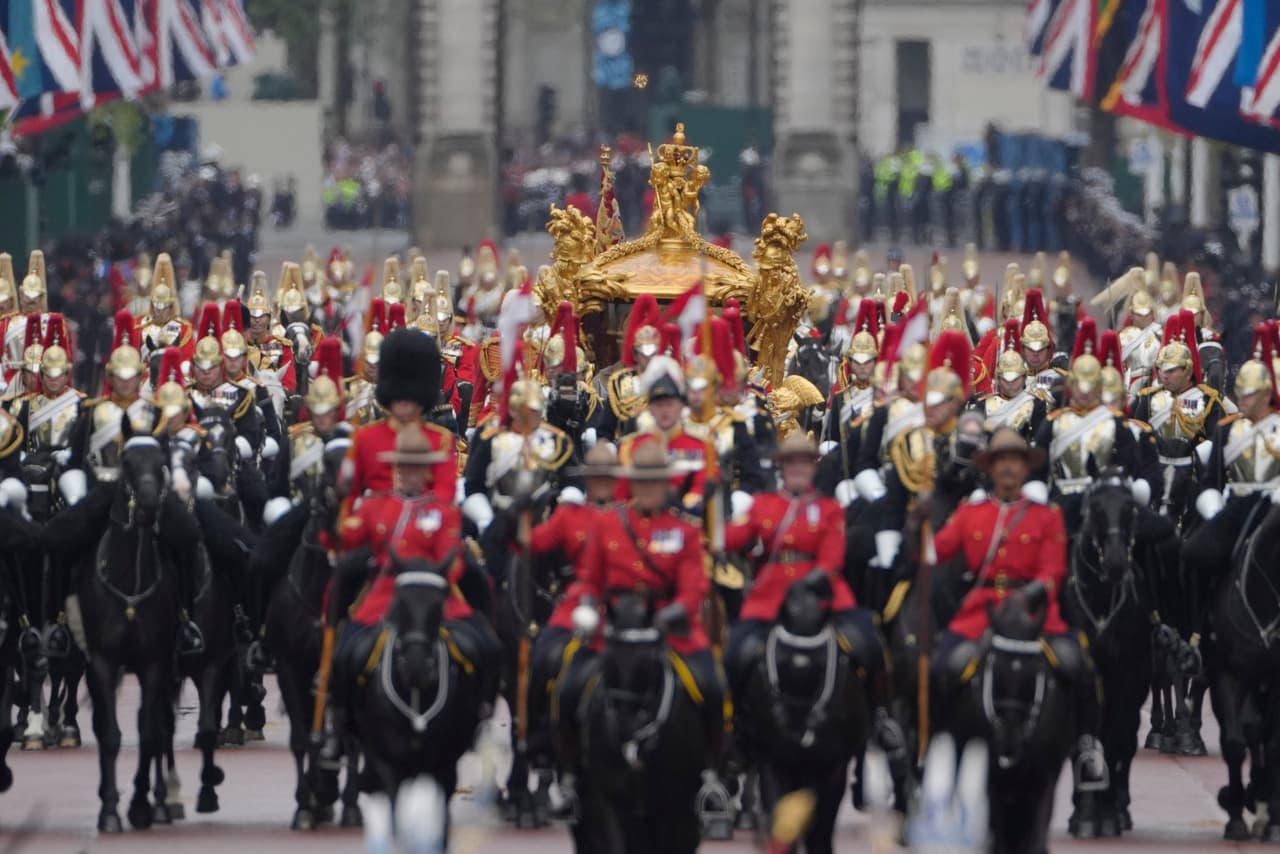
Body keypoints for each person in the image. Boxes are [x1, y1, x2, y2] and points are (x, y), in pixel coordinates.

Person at [928, 427, 1108, 790]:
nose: (1008, 469)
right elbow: (937, 550)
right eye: (1001, 462)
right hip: (982, 611)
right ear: (991, 469)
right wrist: (920, 524)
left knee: (1078, 664)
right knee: (941, 666)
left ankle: (1087, 748)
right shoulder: (970, 513)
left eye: (1015, 461)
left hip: (1033, 611)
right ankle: (937, 747)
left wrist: (1033, 594)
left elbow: (1053, 569)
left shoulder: (1046, 516)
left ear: (1025, 469)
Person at [549, 441, 723, 802]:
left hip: (668, 628)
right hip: (614, 628)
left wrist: (670, 615)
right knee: (567, 689)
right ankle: (565, 777)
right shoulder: (608, 524)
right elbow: (590, 579)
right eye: (642, 482)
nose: (648, 489)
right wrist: (585, 604)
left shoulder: (685, 530)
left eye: (655, 482)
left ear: (666, 485)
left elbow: (694, 590)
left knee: (712, 687)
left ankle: (712, 774)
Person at [321, 424, 501, 764]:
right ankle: (340, 728)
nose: (410, 474)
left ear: (428, 471)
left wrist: (432, 577)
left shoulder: (444, 511)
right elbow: (343, 541)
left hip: (436, 597)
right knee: (343, 654)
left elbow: (453, 561)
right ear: (395, 469)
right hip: (384, 596)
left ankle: (480, 718)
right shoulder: (375, 507)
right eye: (404, 466)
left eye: (417, 467)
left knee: (487, 648)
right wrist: (336, 508)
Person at [723, 433, 896, 747]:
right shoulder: (763, 505)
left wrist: (812, 580)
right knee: (735, 650)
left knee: (868, 643)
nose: (798, 468)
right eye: (792, 462)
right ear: (782, 467)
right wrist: (714, 509)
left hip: (821, 592)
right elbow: (731, 538)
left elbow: (832, 556)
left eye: (805, 462)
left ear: (813, 467)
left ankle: (879, 715)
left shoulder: (829, 509)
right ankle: (735, 725)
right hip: (771, 593)